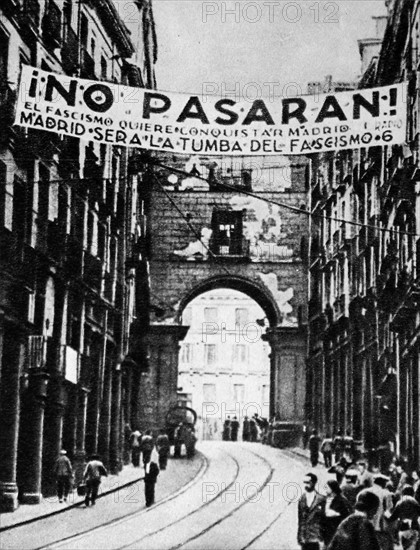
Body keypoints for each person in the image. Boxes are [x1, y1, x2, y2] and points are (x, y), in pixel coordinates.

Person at [359, 473, 393, 550]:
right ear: (383, 483)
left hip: (364, 525)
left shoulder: (363, 492)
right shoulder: (386, 493)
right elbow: (389, 509)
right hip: (378, 526)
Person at [297, 472, 326, 550]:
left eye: (308, 482)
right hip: (305, 538)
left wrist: (323, 538)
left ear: (314, 483)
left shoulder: (321, 499)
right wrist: (300, 536)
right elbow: (300, 520)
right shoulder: (302, 499)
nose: (305, 485)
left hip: (316, 538)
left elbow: (325, 520)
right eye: (304, 483)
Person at [388, 485, 420, 550]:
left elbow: (394, 517)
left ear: (403, 492)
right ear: (413, 493)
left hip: (403, 528)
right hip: (414, 527)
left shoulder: (400, 501)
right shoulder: (414, 501)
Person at [322, 479, 352, 546]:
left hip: (336, 531)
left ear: (332, 488)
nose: (325, 489)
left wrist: (337, 514)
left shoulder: (342, 500)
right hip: (326, 532)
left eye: (327, 487)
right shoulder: (325, 499)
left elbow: (347, 515)